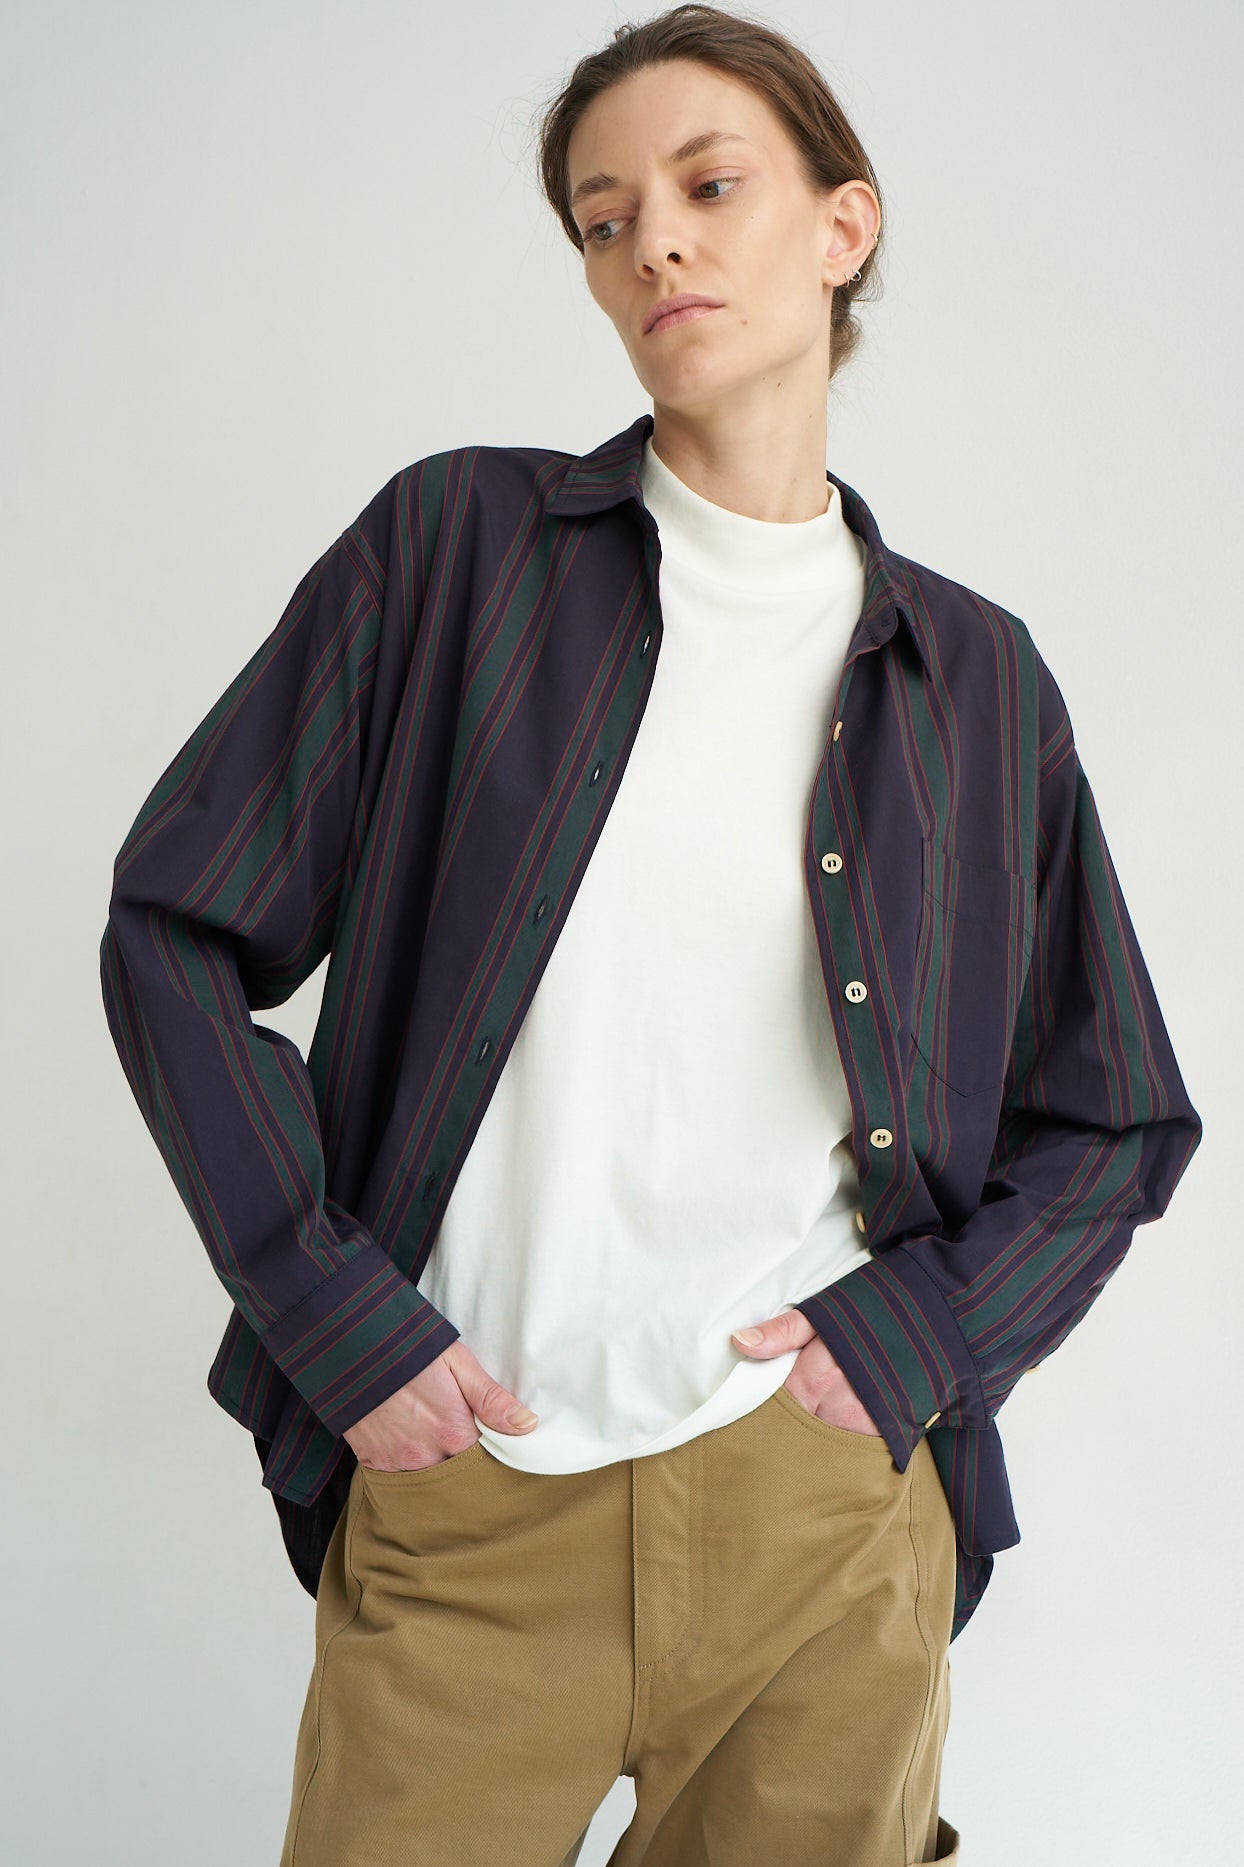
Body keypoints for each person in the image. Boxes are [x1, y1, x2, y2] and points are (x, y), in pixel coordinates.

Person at [99, 6, 1202, 1864]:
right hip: (472, 1489)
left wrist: (919, 1340)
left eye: (708, 187)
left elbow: (1115, 1113)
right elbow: (175, 929)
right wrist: (336, 1320)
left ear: (843, 224)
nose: (655, 247)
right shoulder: (456, 553)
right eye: (606, 221)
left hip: (823, 1520)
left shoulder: (979, 681)